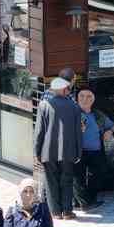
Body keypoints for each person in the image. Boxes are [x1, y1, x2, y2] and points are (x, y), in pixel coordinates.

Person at [34, 76, 83, 219]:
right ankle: (67, 211)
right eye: (68, 88)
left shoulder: (44, 105)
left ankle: (55, 212)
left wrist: (36, 152)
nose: (69, 91)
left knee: (51, 181)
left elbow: (39, 131)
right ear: (63, 89)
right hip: (68, 151)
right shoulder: (74, 106)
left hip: (47, 151)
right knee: (67, 180)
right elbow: (77, 132)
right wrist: (78, 152)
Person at [76, 86, 114, 208]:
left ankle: (89, 199)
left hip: (96, 151)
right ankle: (83, 202)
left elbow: (113, 125)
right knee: (77, 177)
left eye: (89, 96)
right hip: (78, 151)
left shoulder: (97, 114)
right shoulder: (73, 113)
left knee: (101, 172)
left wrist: (110, 131)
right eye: (82, 96)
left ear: (93, 99)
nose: (85, 99)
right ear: (77, 99)